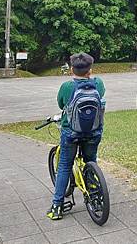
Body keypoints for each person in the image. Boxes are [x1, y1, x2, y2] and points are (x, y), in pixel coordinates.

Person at [47, 52, 106, 220]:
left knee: (64, 166)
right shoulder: (98, 83)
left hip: (70, 133)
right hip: (93, 132)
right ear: (90, 70)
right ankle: (95, 193)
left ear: (71, 69)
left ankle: (57, 206)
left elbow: (61, 103)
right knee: (91, 161)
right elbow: (100, 96)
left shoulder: (67, 87)